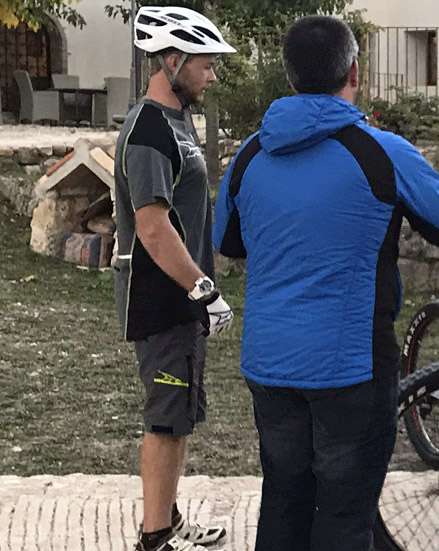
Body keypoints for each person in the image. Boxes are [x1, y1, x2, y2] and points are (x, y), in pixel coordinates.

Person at [211, 15, 439, 551]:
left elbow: (228, 241)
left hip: (270, 363)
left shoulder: (249, 155)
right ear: (355, 71)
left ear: (289, 79)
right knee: (345, 511)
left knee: (283, 497)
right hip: (350, 365)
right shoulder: (380, 151)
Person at [113, 6, 236, 551]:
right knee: (165, 418)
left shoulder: (175, 122)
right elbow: (153, 227)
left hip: (180, 297)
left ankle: (168, 518)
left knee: (180, 414)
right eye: (206, 65)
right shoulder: (147, 132)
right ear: (172, 59)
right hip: (161, 299)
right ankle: (155, 536)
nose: (212, 76)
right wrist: (203, 290)